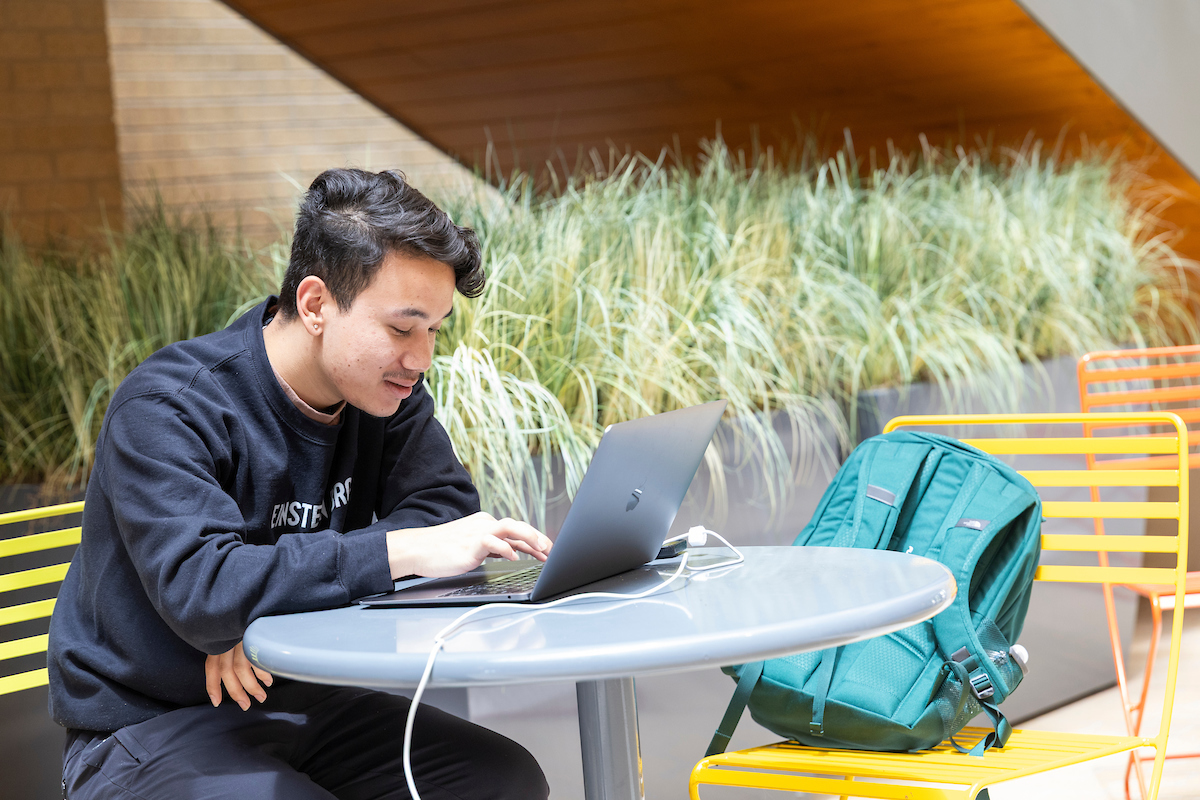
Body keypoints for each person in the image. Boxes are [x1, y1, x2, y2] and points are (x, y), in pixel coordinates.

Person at [47, 168, 553, 799]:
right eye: (402, 328)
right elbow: (205, 591)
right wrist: (397, 553)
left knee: (502, 781)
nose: (421, 358)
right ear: (316, 305)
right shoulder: (168, 406)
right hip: (146, 730)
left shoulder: (383, 395)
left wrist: (257, 610)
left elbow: (443, 508)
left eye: (434, 330)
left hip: (303, 701)